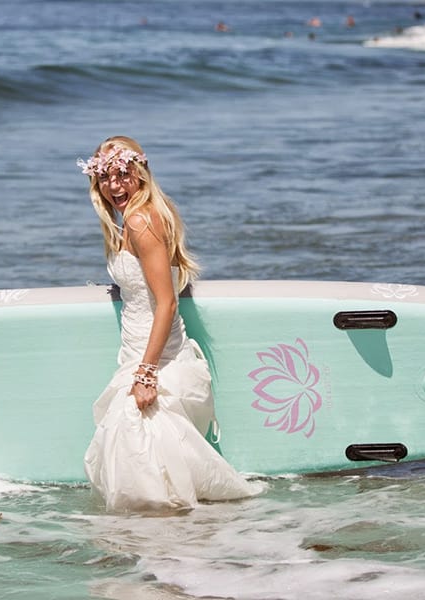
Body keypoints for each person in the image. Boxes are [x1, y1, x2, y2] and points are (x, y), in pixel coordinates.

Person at [78, 137, 263, 513]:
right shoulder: (140, 216)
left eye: (123, 175)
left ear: (141, 174)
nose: (114, 186)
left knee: (137, 439)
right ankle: (166, 538)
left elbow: (166, 302)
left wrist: (146, 375)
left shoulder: (140, 219)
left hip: (156, 356)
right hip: (138, 347)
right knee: (143, 455)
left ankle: (163, 538)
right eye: (106, 178)